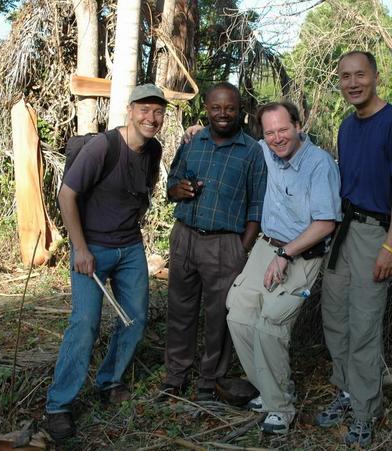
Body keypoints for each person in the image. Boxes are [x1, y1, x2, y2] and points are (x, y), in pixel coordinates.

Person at [45, 84, 167, 441]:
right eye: (144, 110)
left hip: (129, 249)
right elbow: (67, 194)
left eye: (158, 112)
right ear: (130, 111)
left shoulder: (154, 150)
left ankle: (109, 382)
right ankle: (59, 405)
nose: (151, 118)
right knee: (85, 323)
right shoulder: (103, 147)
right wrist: (80, 248)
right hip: (92, 249)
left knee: (135, 319)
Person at [315, 51, 392, 447]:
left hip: (373, 234)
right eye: (345, 76)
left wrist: (389, 248)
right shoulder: (346, 125)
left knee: (363, 326)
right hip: (342, 231)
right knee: (336, 319)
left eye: (360, 75)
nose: (353, 83)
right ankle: (345, 392)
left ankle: (365, 410)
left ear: (376, 76)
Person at [225, 101, 341, 434]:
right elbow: (238, 140)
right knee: (238, 313)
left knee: (270, 324)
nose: (277, 138)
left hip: (302, 252)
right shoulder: (264, 150)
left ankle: (280, 408)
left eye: (283, 130)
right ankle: (269, 388)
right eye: (270, 131)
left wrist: (286, 254)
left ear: (298, 125)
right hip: (268, 245)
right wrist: (197, 131)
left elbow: (325, 223)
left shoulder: (319, 164)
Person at [162, 82, 267, 401]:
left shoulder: (252, 151)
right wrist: (176, 190)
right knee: (180, 309)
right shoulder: (193, 142)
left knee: (219, 315)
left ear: (239, 111)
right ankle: (175, 375)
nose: (223, 114)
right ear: (206, 108)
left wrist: (241, 247)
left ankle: (210, 381)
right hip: (185, 236)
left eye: (230, 108)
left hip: (225, 244)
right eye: (216, 108)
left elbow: (257, 207)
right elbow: (170, 182)